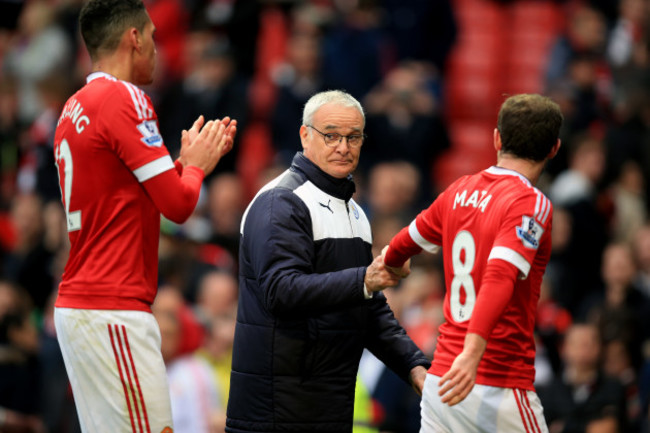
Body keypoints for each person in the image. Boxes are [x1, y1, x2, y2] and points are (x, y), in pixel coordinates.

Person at [51, 1, 236, 432]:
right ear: (133, 38)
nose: (158, 48)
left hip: (82, 304)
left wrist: (181, 164)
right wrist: (195, 168)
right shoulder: (125, 97)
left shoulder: (72, 108)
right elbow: (178, 205)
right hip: (112, 307)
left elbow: (126, 197)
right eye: (152, 36)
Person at [226, 90, 430, 433]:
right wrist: (365, 279)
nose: (343, 147)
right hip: (277, 413)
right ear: (305, 135)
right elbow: (280, 291)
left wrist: (413, 365)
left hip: (328, 406)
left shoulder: (355, 213)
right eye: (331, 135)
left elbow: (366, 308)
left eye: (353, 137)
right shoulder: (282, 202)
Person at [383, 93, 563, 432]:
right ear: (554, 148)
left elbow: (406, 240)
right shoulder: (530, 202)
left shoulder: (459, 190)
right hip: (496, 381)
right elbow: (500, 275)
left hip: (443, 380)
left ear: (497, 138)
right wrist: (473, 351)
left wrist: (392, 262)